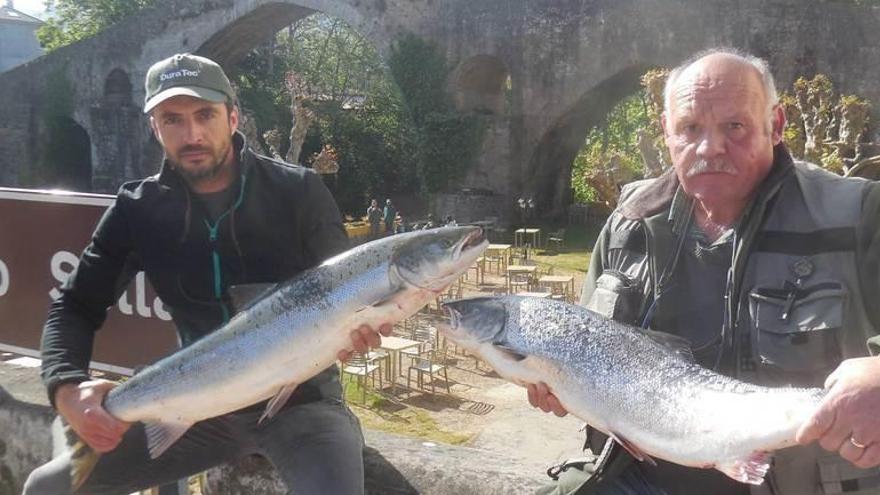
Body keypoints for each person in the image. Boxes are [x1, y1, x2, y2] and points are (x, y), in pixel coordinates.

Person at [24, 53, 387, 495]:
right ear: (154, 128)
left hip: (302, 403)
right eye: (172, 119)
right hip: (193, 405)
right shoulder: (137, 209)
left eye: (205, 115)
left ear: (233, 117)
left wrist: (356, 331)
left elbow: (349, 292)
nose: (192, 134)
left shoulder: (299, 191)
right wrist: (66, 388)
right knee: (49, 487)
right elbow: (74, 306)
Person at [530, 48, 880, 495]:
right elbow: (585, 349)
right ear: (666, 133)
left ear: (776, 125)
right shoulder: (628, 224)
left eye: (734, 127)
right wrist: (558, 381)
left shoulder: (858, 216)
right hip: (636, 480)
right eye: (690, 128)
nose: (710, 147)